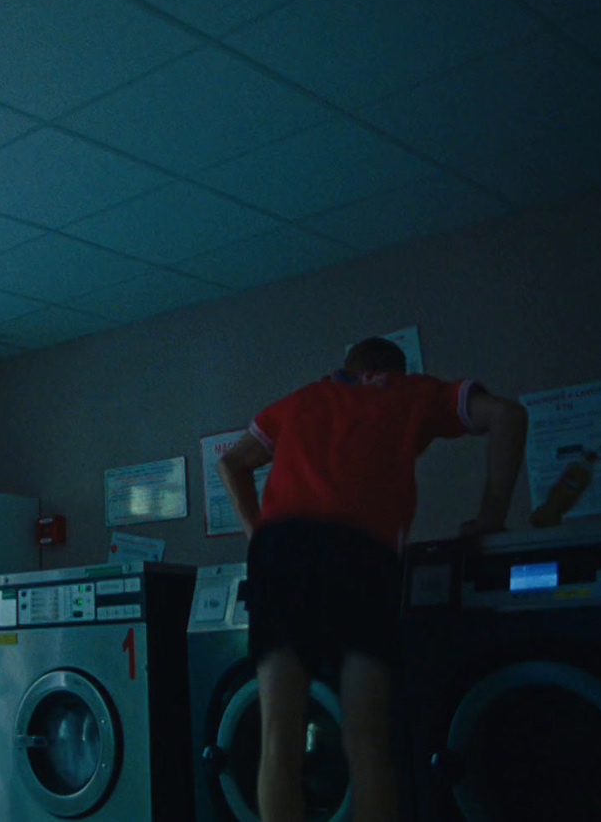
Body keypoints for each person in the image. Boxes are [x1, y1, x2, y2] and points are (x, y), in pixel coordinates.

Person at [215, 337, 527, 822]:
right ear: (396, 369)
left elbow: (230, 462)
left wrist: (259, 536)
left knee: (279, 734)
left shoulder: (305, 398)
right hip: (360, 553)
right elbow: (507, 414)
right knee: (366, 739)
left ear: (348, 366)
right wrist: (490, 519)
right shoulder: (411, 391)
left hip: (283, 554)